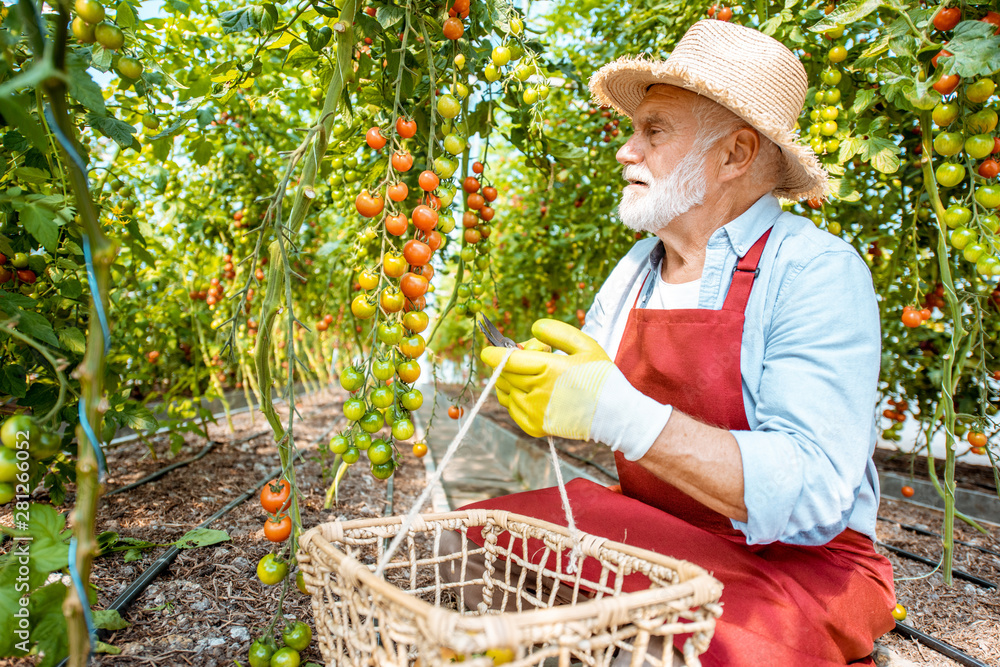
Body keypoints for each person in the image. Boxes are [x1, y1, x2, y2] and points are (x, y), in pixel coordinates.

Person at [439, 19, 897, 667]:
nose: (627, 150)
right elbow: (585, 395)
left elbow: (816, 492)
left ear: (735, 155)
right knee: (483, 530)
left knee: (707, 647)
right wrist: (543, 386)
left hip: (800, 563)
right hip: (663, 540)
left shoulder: (814, 270)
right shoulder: (636, 270)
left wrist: (618, 412)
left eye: (653, 131)